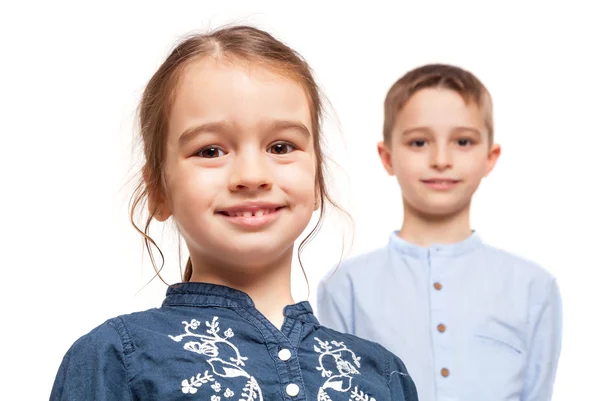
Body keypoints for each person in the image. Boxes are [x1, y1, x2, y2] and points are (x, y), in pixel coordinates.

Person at [49, 25, 419, 401]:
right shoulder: (114, 357)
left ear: (317, 178)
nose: (252, 177)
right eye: (210, 151)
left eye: (280, 146)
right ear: (159, 190)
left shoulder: (383, 374)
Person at [317, 64, 562, 401]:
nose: (441, 159)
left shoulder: (534, 287)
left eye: (463, 141)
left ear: (490, 158)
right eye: (419, 142)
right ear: (387, 157)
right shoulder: (345, 288)